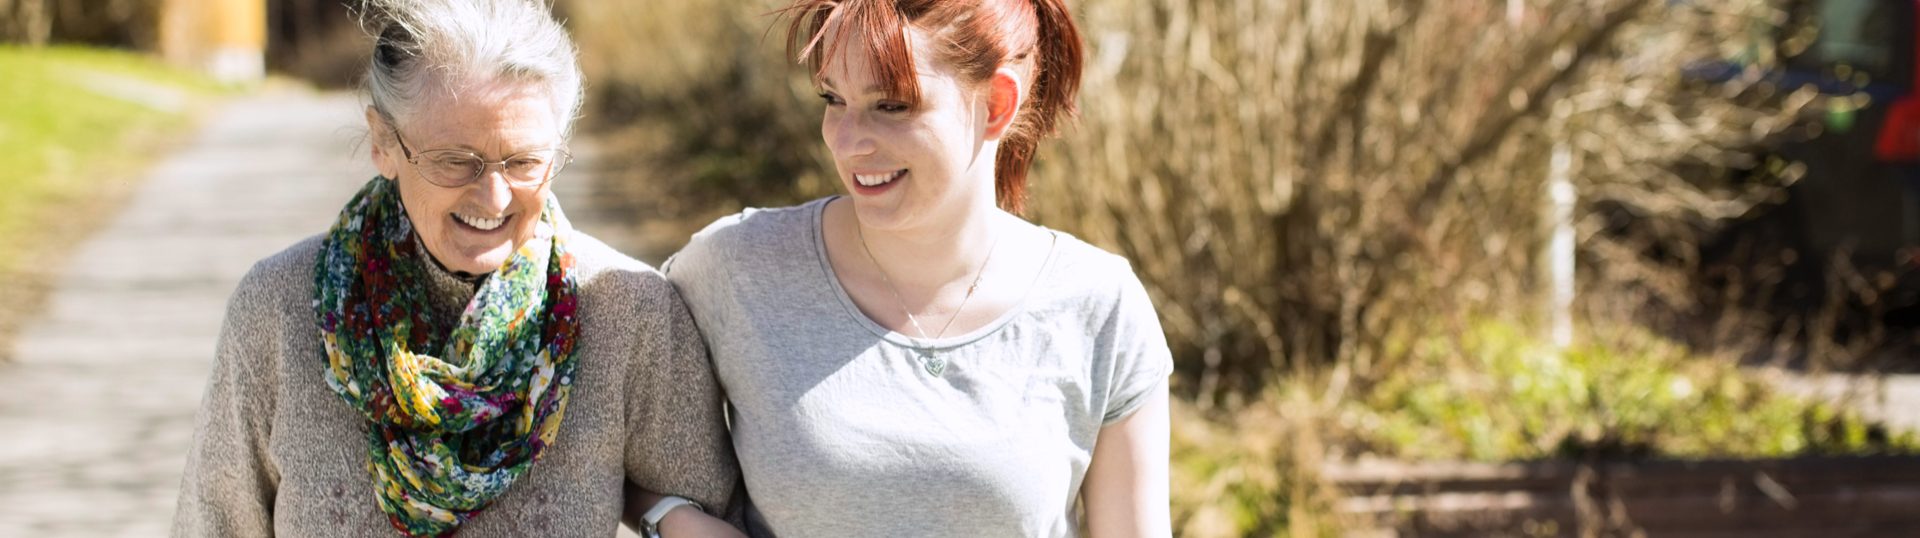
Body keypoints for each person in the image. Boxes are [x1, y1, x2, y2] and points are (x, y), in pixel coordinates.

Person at [171, 0, 742, 536]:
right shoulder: (278, 305)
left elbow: (704, 512)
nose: (494, 198)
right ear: (383, 143)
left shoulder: (629, 312)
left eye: (524, 162)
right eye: (456, 161)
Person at [661, 0, 1174, 535]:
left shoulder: (1099, 305)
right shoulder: (738, 267)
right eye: (833, 99)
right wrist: (670, 518)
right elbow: (612, 412)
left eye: (891, 106)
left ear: (997, 104)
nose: (846, 141)